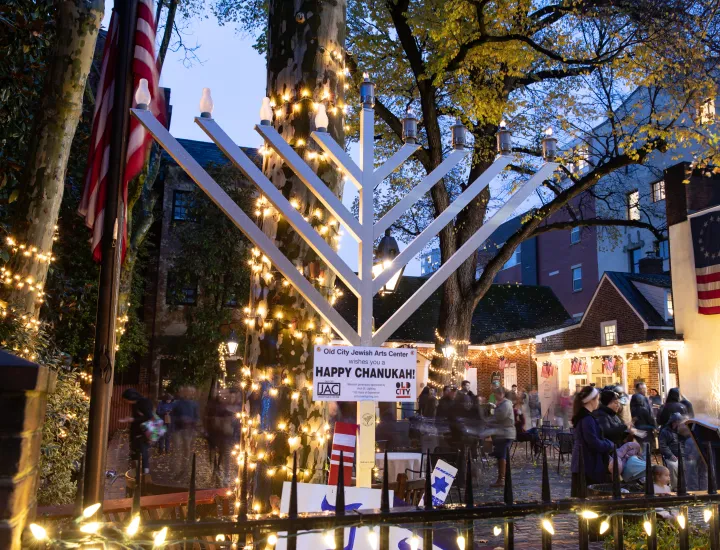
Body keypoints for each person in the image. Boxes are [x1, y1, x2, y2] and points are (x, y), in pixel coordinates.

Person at [570, 386, 615, 495]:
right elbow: (593, 442)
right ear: (591, 400)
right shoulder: (587, 419)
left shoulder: (586, 417)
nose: (598, 402)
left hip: (586, 463)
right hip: (587, 465)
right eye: (597, 399)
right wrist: (610, 444)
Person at [121, 388, 154, 475]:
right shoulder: (134, 404)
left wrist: (133, 419)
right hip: (136, 431)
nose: (126, 402)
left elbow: (149, 417)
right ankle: (135, 471)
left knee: (143, 451)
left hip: (145, 431)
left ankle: (145, 473)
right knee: (134, 451)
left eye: (126, 400)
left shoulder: (144, 402)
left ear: (131, 398)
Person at [488, 386, 515, 487]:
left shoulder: (506, 404)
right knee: (500, 455)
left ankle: (502, 479)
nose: (494, 395)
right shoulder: (501, 404)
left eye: (496, 394)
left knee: (502, 455)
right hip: (502, 433)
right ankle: (502, 478)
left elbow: (499, 417)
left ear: (501, 394)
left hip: (506, 433)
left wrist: (489, 420)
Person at [172, 386, 200, 481]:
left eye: (191, 392)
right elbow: (172, 416)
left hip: (189, 431)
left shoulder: (194, 404)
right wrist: (180, 419)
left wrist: (191, 421)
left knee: (187, 451)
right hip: (178, 430)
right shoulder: (177, 403)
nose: (189, 393)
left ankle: (185, 470)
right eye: (187, 391)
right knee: (177, 450)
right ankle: (177, 470)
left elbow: (196, 417)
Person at [658, 412, 683, 490]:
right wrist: (671, 455)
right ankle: (676, 487)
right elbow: (663, 446)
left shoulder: (683, 431)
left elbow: (686, 444)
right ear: (673, 422)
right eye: (677, 422)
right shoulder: (665, 432)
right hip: (671, 456)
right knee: (673, 466)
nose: (679, 424)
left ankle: (688, 486)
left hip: (683, 455)